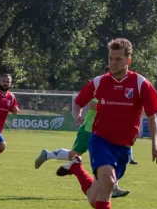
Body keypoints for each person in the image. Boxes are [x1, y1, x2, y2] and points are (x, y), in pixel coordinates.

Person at [55, 38, 157, 209]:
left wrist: (155, 143)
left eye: (118, 59)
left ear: (128, 60)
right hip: (100, 141)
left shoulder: (141, 84)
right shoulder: (99, 82)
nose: (113, 63)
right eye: (110, 58)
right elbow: (78, 101)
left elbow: (152, 117)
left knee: (95, 199)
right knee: (109, 181)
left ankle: (76, 168)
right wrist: (77, 114)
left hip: (123, 148)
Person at [34, 66, 131, 198]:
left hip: (105, 132)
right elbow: (91, 104)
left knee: (109, 158)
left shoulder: (117, 90)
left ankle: (114, 187)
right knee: (74, 154)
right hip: (89, 129)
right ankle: (47, 155)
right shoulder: (99, 87)